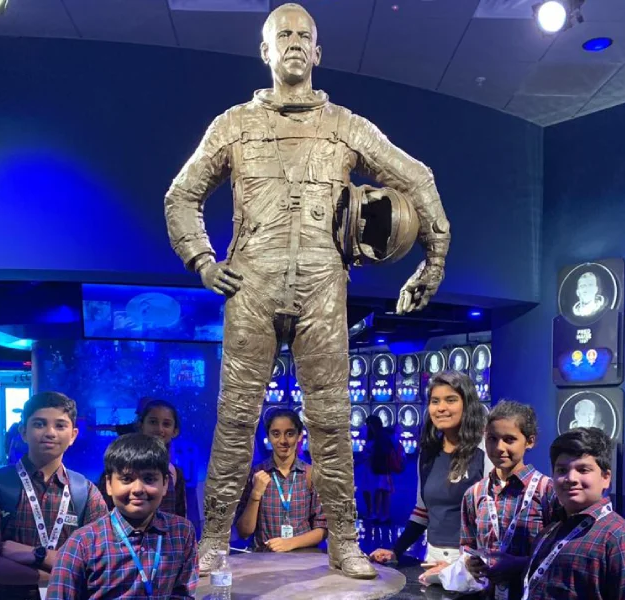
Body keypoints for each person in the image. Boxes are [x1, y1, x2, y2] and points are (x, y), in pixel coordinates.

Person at [163, 2, 450, 579]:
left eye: (303, 35)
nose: (293, 42)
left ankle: (344, 540)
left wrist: (435, 256)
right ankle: (214, 539)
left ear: (317, 52)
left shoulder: (346, 126)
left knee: (331, 418)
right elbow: (182, 195)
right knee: (235, 418)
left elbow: (416, 177)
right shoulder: (233, 125)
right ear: (265, 51)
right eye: (283, 35)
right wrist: (202, 260)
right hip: (252, 284)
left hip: (322, 285)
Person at [0, 392, 108, 600]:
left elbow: (99, 564)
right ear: (23, 432)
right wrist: (54, 575)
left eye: (60, 425)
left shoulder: (86, 493)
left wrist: (36, 555)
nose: (50, 433)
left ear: (73, 435)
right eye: (39, 424)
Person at [46, 434, 198, 599]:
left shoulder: (181, 532)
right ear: (109, 484)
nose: (138, 489)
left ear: (165, 484)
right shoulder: (82, 543)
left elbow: (183, 594)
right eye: (127, 479)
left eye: (149, 479)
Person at [432, 401, 557, 599]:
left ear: (530, 441)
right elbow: (468, 544)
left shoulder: (547, 491)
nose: (499, 447)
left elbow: (559, 554)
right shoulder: (474, 494)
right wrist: (470, 562)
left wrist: (520, 564)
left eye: (509, 439)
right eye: (492, 439)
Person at [369, 372, 490, 566]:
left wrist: (467, 564)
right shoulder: (428, 453)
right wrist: (395, 551)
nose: (441, 408)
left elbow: (494, 517)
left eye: (450, 400)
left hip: (473, 562)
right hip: (433, 560)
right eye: (435, 401)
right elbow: (422, 511)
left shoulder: (485, 450)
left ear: (467, 404)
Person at [522, 428, 625, 600]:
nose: (571, 478)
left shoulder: (621, 540)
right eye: (562, 470)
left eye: (583, 470)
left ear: (606, 478)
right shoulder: (548, 532)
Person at [235, 409, 326, 552]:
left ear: (299, 436)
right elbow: (244, 532)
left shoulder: (311, 475)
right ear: (269, 437)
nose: (283, 441)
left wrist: (290, 543)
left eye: (289, 434)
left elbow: (323, 528)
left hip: (304, 558)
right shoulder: (256, 474)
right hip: (264, 558)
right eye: (276, 434)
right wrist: (255, 495)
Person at [98, 398, 187, 517]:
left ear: (175, 431)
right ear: (141, 426)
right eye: (153, 422)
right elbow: (103, 513)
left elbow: (179, 514)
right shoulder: (118, 467)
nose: (159, 429)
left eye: (166, 424)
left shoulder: (175, 473)